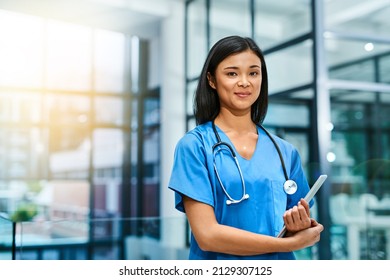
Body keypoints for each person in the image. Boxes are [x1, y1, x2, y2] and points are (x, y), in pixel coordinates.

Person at [168, 35, 323, 260]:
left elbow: (292, 225)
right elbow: (207, 236)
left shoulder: (285, 152)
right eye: (232, 73)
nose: (244, 82)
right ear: (211, 80)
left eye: (253, 73)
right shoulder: (195, 146)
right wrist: (288, 244)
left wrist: (300, 227)